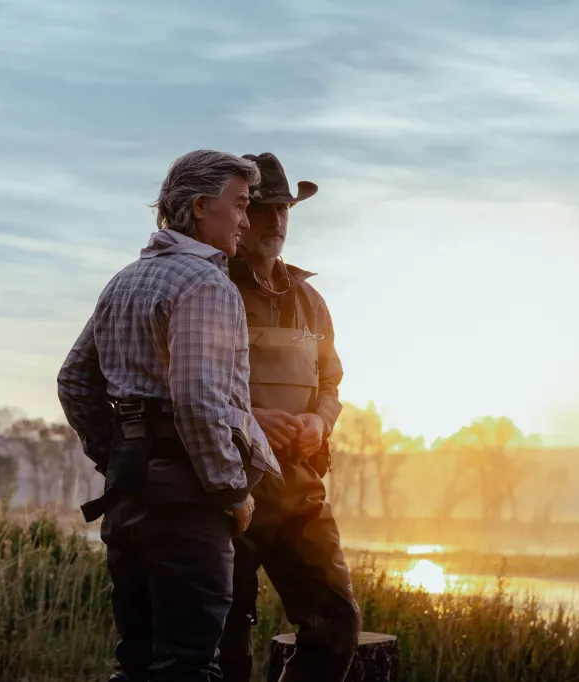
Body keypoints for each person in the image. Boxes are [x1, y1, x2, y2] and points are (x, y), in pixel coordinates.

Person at [57, 149, 281, 682]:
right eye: (241, 205)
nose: (247, 220)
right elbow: (198, 400)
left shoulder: (126, 279)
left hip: (130, 500)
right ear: (202, 207)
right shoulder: (206, 284)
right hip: (187, 506)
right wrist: (231, 489)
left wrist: (120, 456)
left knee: (135, 664)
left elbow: (73, 380)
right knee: (188, 668)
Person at [217, 152, 360, 682]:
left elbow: (331, 382)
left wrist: (320, 422)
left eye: (284, 211)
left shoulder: (310, 300)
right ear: (239, 213)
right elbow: (185, 384)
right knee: (225, 641)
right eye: (264, 209)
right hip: (231, 487)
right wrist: (252, 417)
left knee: (335, 626)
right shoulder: (212, 289)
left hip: (301, 488)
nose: (276, 222)